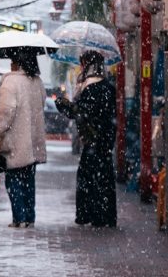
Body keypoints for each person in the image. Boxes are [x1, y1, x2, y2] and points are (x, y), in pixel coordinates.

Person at [55, 50, 117, 228]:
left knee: (89, 178)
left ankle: (91, 214)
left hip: (93, 141)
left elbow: (81, 113)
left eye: (83, 63)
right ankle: (106, 215)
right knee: (104, 177)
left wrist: (65, 105)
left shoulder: (90, 88)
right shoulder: (109, 88)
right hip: (105, 141)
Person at [0, 47, 47, 228]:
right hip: (32, 141)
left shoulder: (10, 83)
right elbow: (42, 104)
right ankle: (29, 217)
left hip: (15, 141)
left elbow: (6, 112)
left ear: (17, 62)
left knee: (13, 181)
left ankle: (19, 217)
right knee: (29, 181)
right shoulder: (37, 82)